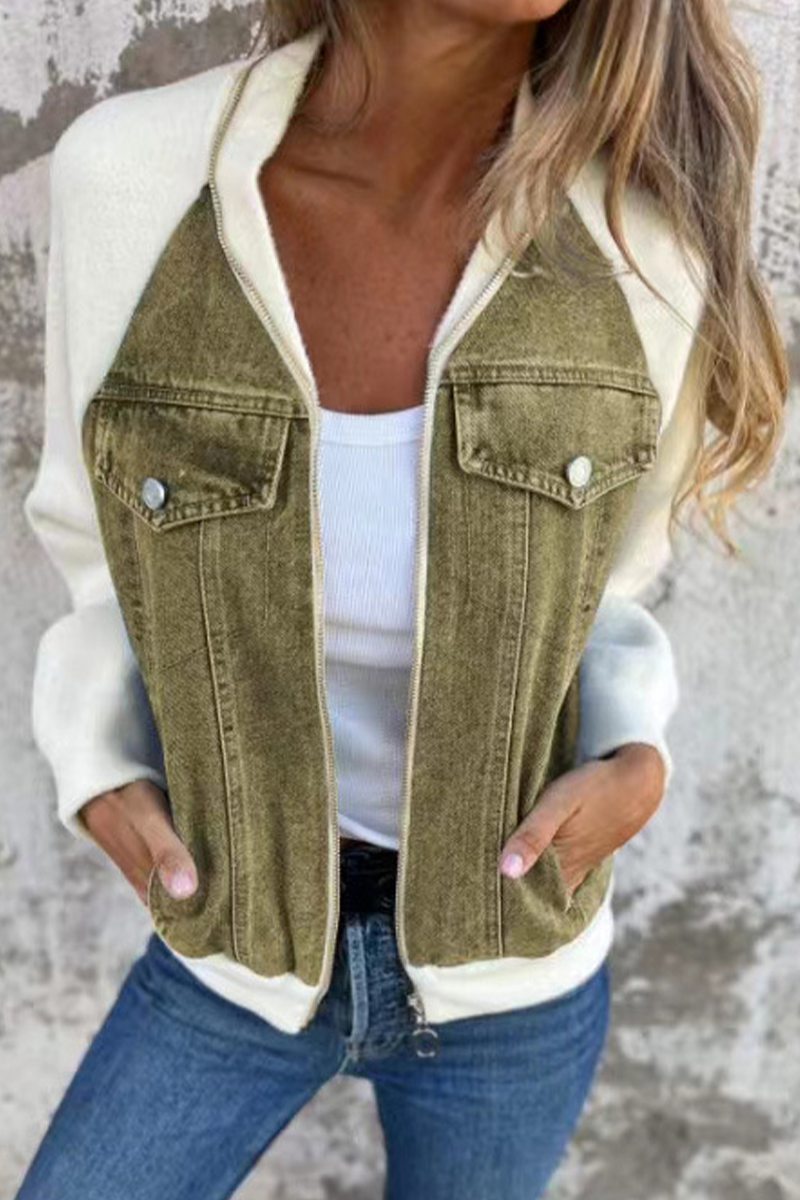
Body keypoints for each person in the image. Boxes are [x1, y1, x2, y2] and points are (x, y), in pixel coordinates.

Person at [17, 1, 787, 1197]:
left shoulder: (640, 243)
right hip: (233, 945)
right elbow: (92, 536)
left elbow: (609, 588)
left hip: (510, 964)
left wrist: (633, 757)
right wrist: (96, 764)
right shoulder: (133, 180)